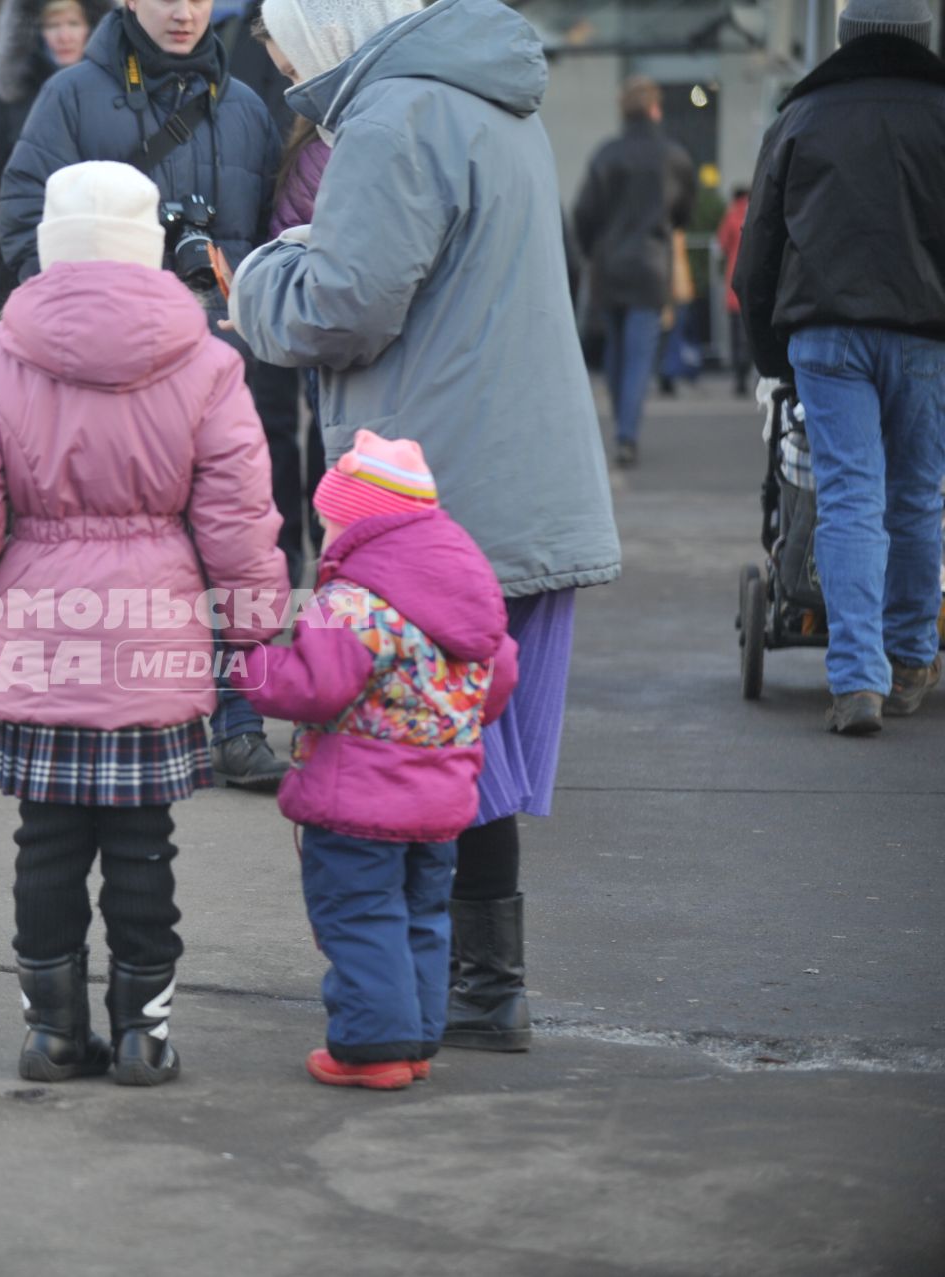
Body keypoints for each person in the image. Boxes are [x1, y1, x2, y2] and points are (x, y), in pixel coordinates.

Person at [232, 0, 622, 1054]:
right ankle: (483, 981)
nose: (269, 53)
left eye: (278, 30)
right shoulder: (491, 102)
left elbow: (340, 308)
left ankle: (461, 989)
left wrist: (255, 278)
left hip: (437, 487)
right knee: (466, 731)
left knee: (423, 737)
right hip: (515, 471)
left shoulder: (395, 117)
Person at [0, 162, 288, 1086]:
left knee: (45, 842)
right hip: (155, 637)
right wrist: (252, 622)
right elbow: (238, 507)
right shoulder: (207, 359)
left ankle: (51, 1035)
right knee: (143, 845)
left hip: (43, 627)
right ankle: (143, 1035)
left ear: (50, 246)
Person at [0, 0, 288, 790]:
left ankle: (239, 719)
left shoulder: (248, 109)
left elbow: (268, 239)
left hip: (222, 367)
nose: (184, 10)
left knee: (235, 535)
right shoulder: (73, 98)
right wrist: (87, 326)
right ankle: (134, 710)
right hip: (108, 380)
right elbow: (24, 220)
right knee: (127, 550)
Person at [235, 432, 516, 1089]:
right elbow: (499, 679)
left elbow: (315, 686)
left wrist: (249, 664)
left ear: (359, 525)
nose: (327, 534)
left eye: (332, 520)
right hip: (442, 799)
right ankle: (417, 1037)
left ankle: (372, 1047)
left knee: (360, 915)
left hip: (356, 800)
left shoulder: (350, 603)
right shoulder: (467, 601)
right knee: (423, 914)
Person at [733, 0, 945, 736]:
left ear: (845, 38)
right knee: (917, 495)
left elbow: (758, 249)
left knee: (850, 494)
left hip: (823, 334)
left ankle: (858, 680)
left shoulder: (803, 114)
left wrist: (769, 356)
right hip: (924, 334)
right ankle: (913, 656)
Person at [0, 0, 110, 336]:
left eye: (73, 23)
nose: (64, 35)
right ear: (33, 33)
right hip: (22, 266)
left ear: (92, 26)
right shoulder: (9, 99)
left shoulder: (117, 95)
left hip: (105, 263)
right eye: (52, 25)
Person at [572, 75, 697, 469]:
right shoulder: (673, 156)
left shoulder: (606, 154)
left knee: (615, 349)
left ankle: (620, 428)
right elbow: (683, 213)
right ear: (655, 109)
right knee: (640, 354)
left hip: (608, 267)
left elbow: (583, 213)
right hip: (649, 267)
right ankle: (627, 435)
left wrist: (594, 248)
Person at [247, 0, 330, 576]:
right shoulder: (312, 126)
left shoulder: (344, 130)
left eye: (294, 72)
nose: (290, 88)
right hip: (300, 316)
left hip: (324, 323)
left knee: (331, 456)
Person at [715, 185, 751, 397]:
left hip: (734, 284)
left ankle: (740, 377)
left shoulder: (731, 216)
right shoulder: (755, 210)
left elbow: (721, 244)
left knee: (736, 335)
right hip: (754, 284)